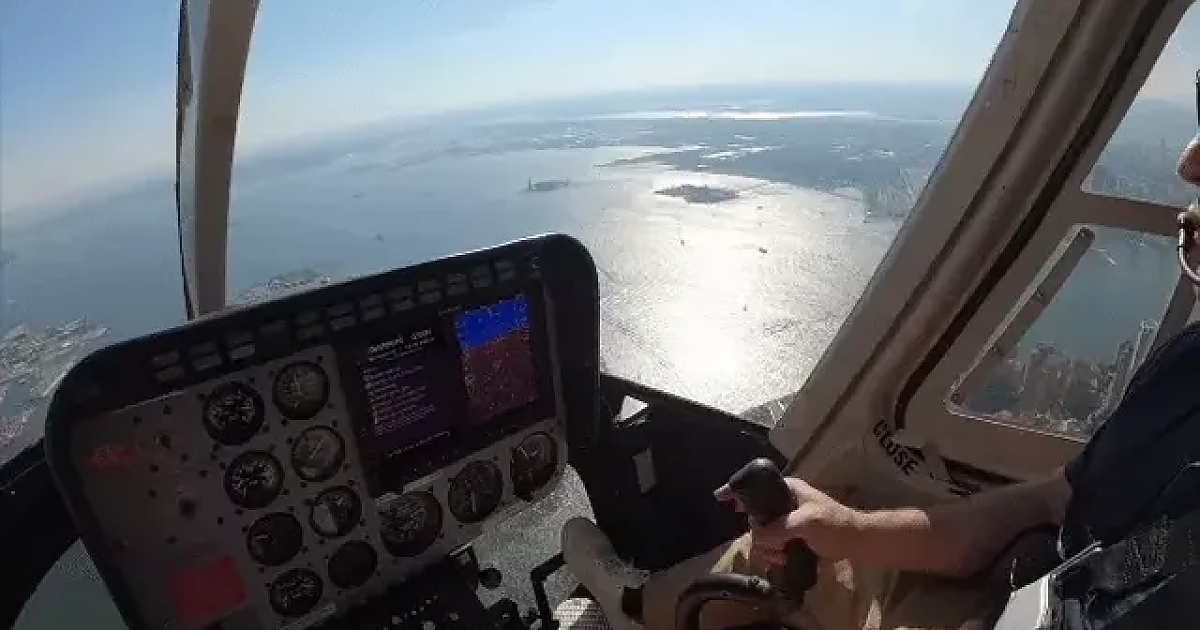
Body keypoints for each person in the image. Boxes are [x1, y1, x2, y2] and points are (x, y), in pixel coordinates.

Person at [559, 137, 1200, 630]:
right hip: (1028, 591)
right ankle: (636, 603)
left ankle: (638, 605)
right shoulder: (1187, 371)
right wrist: (848, 528)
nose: (1189, 162)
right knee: (816, 528)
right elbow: (1053, 500)